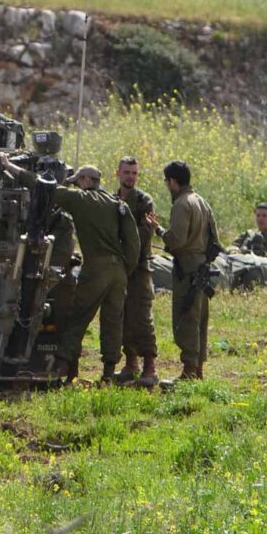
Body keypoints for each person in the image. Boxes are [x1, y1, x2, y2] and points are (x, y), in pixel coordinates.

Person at [1, 156, 140, 382]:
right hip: (119, 271)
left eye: (77, 181)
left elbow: (43, 186)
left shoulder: (81, 199)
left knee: (78, 317)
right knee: (113, 322)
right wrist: (125, 270)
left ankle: (63, 367)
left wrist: (9, 166)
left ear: (85, 180)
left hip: (96, 268)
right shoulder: (118, 204)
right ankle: (107, 374)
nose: (76, 185)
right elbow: (133, 245)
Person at [145, 160, 217, 381]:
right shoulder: (202, 202)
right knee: (199, 319)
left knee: (186, 318)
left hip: (186, 269)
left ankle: (189, 371)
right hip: (202, 268)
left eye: (167, 181)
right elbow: (215, 240)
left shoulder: (181, 204)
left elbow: (176, 240)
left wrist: (157, 230)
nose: (167, 186)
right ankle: (198, 370)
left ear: (173, 182)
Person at [114, 156, 158, 387]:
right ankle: (131, 364)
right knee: (122, 316)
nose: (131, 177)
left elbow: (143, 234)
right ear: (118, 173)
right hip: (120, 268)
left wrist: (123, 241)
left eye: (134, 173)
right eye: (127, 172)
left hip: (139, 267)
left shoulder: (143, 201)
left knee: (141, 315)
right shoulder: (112, 200)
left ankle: (150, 367)